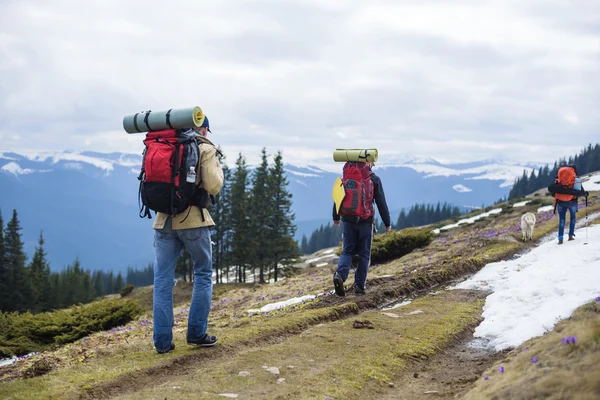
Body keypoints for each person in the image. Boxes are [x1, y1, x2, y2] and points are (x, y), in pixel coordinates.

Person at [151, 116, 224, 354]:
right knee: (203, 273)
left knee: (162, 280)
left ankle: (162, 343)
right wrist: (219, 171)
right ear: (203, 128)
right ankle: (196, 334)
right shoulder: (204, 147)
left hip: (164, 220)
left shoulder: (167, 143)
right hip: (193, 220)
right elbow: (213, 186)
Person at [332, 161, 391, 296]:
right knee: (364, 254)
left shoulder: (345, 179)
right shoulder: (374, 179)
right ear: (369, 162)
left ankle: (340, 276)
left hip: (347, 220)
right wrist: (387, 223)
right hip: (365, 222)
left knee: (347, 252)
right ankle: (359, 286)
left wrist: (335, 216)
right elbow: (381, 202)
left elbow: (338, 198)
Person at [548, 164, 588, 245]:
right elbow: (580, 192)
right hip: (572, 202)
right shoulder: (576, 179)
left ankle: (560, 238)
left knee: (562, 220)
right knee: (572, 218)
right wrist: (585, 194)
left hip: (560, 202)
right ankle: (570, 236)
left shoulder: (559, 178)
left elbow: (553, 192)